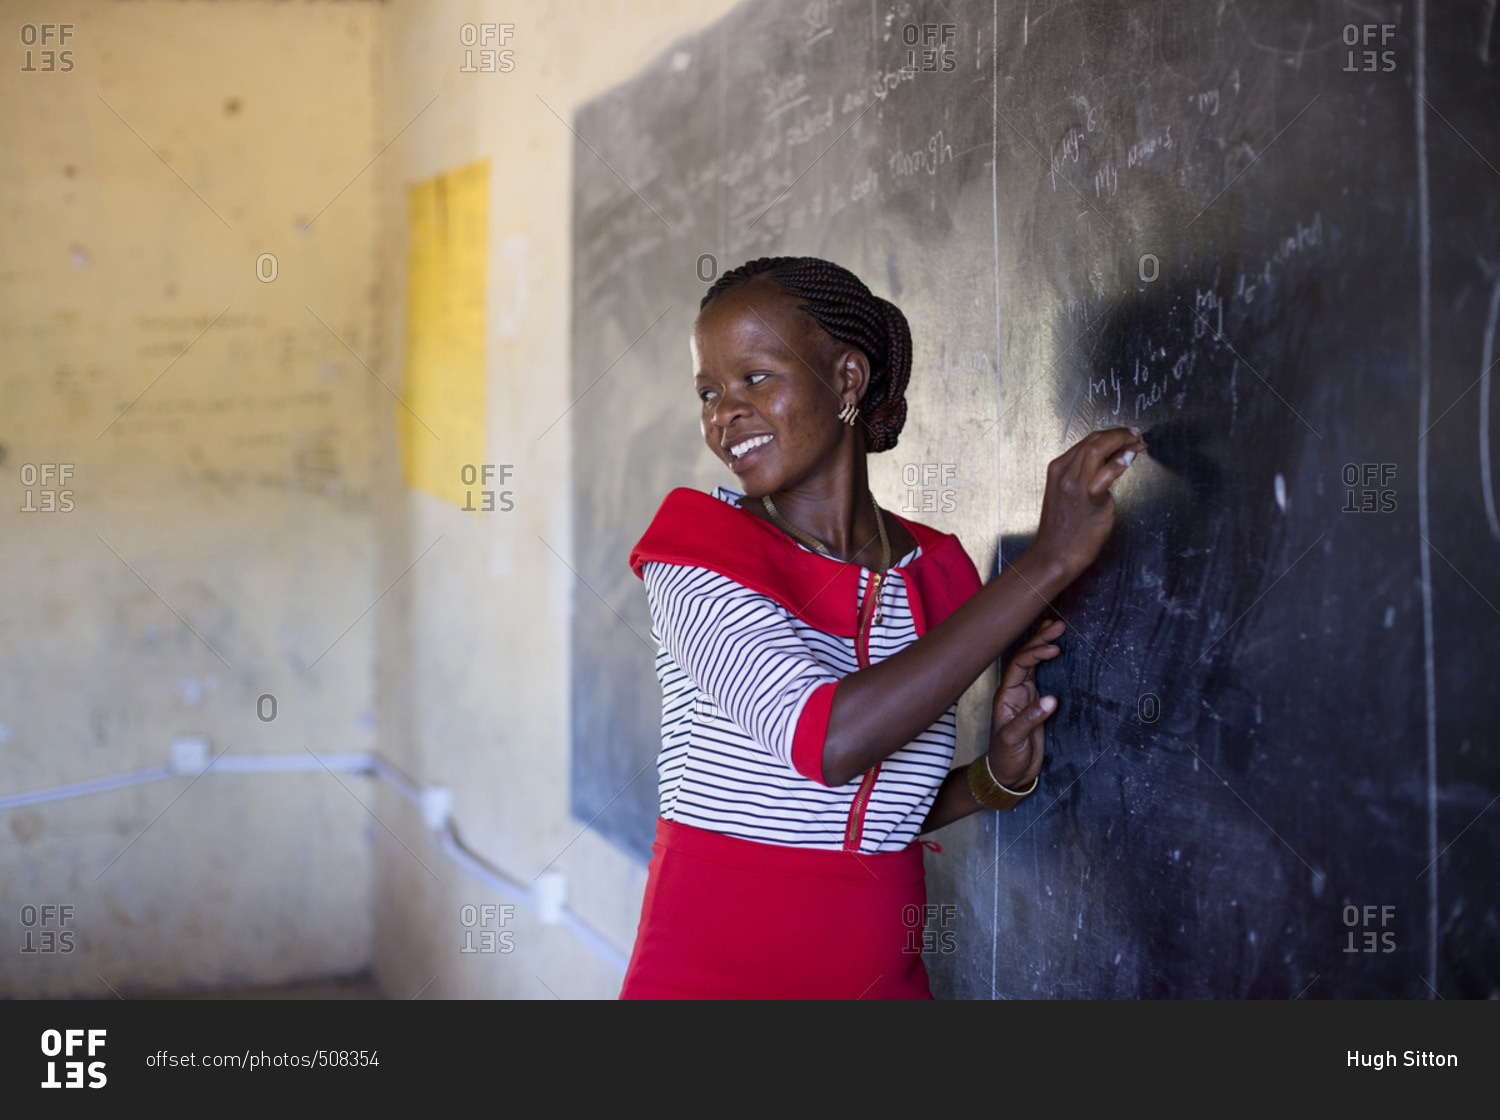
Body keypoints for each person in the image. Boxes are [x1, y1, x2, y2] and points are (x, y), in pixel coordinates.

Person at [618, 256, 1145, 999]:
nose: (724, 412)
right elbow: (829, 743)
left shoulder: (937, 573)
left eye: (755, 378)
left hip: (879, 966)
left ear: (847, 380)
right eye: (709, 391)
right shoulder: (698, 552)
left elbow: (870, 808)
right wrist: (1046, 565)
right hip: (715, 961)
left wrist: (993, 775)